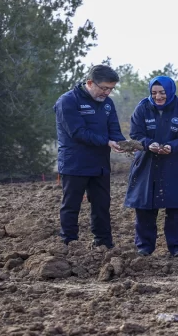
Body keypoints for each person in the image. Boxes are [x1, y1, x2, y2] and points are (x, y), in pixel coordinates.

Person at [124, 76, 178, 258]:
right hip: (147, 163)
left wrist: (171, 147)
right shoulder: (142, 109)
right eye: (154, 93)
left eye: (162, 93)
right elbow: (135, 134)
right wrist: (148, 144)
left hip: (176, 164)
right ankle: (144, 247)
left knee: (176, 206)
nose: (158, 97)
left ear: (170, 91)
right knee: (145, 207)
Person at [53, 65, 126, 249]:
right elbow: (78, 133)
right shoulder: (68, 101)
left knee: (102, 205)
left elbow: (114, 130)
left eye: (111, 89)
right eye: (104, 88)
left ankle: (103, 243)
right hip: (74, 163)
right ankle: (69, 244)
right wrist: (107, 142)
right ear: (90, 83)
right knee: (71, 205)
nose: (107, 93)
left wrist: (124, 144)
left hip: (100, 164)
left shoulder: (108, 103)